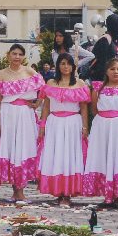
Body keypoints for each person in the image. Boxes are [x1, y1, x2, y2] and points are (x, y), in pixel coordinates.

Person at [84, 58, 118, 207]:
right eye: (112, 69)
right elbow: (94, 109)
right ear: (106, 71)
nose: (116, 72)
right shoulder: (98, 89)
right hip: (102, 127)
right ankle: (106, 194)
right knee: (104, 157)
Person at [0, 45, 45, 203]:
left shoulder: (29, 71)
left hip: (24, 114)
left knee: (23, 149)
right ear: (8, 55)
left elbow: (44, 89)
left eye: (20, 54)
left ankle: (21, 190)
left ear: (23, 56)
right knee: (10, 149)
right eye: (14, 54)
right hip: (7, 113)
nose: (17, 57)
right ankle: (14, 190)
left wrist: (37, 103)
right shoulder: (1, 74)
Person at [37, 53, 88, 206]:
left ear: (73, 66)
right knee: (56, 156)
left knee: (70, 157)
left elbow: (84, 108)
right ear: (58, 66)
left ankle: (68, 193)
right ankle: (58, 191)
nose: (66, 67)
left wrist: (85, 127)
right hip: (54, 124)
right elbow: (46, 106)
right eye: (63, 63)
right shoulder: (51, 83)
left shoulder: (80, 84)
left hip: (73, 123)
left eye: (69, 64)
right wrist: (42, 125)